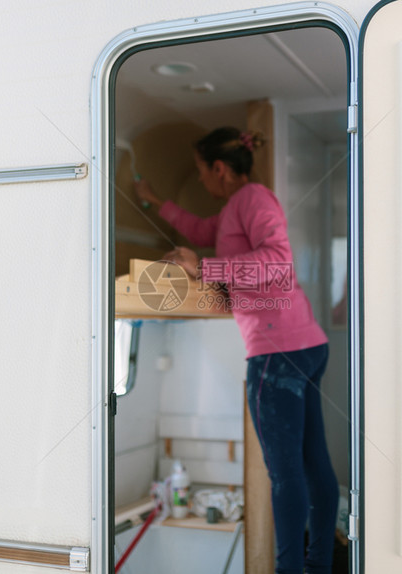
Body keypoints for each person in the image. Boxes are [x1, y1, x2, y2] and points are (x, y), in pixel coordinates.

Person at [134, 127, 339, 574]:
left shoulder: (253, 200)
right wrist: (153, 200)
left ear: (219, 169)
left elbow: (279, 263)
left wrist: (203, 267)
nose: (203, 181)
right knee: (310, 467)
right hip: (303, 347)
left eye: (202, 173)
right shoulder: (234, 210)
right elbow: (199, 228)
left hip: (277, 354)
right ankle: (317, 566)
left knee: (288, 476)